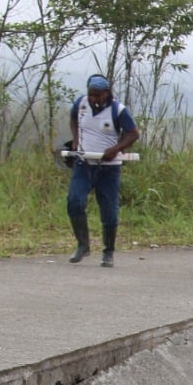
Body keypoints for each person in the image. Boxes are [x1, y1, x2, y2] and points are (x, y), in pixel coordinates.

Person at [66, 73, 139, 267]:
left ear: (107, 93)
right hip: (84, 164)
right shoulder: (80, 104)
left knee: (109, 211)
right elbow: (73, 119)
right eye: (91, 94)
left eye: (98, 95)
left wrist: (115, 149)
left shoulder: (119, 110)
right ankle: (83, 244)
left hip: (108, 168)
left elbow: (133, 134)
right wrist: (75, 140)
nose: (94, 99)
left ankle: (108, 251)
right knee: (75, 201)